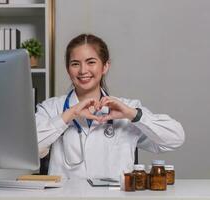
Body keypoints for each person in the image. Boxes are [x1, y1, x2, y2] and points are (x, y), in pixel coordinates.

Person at [35, 34, 185, 180]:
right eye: (75, 64)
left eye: (91, 62)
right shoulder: (51, 108)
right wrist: (70, 114)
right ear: (68, 69)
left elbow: (175, 139)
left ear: (105, 66)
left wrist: (133, 115)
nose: (82, 70)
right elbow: (29, 149)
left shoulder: (128, 108)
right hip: (64, 196)